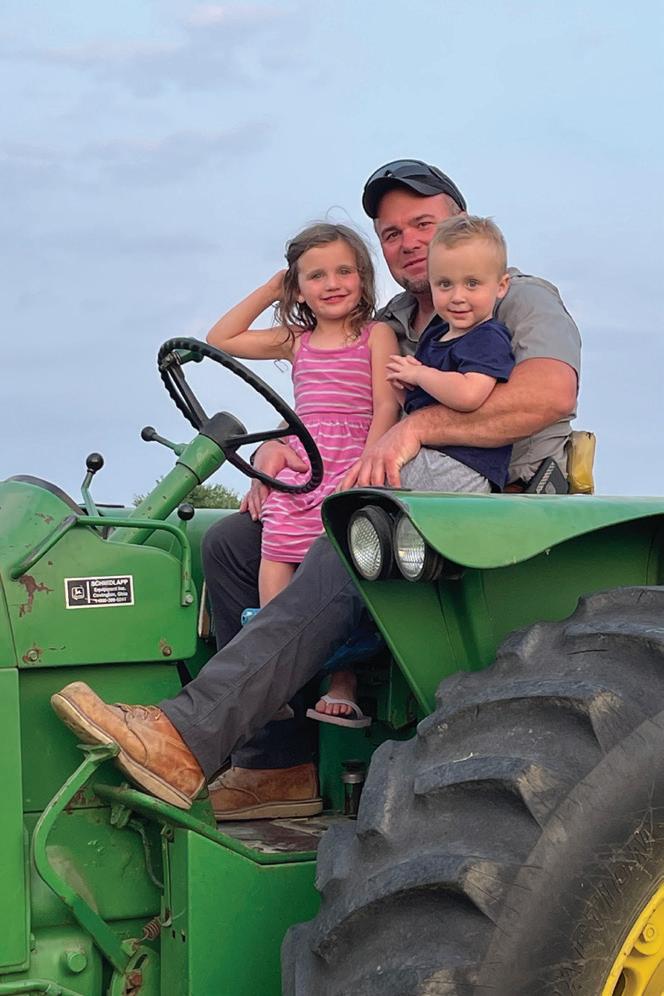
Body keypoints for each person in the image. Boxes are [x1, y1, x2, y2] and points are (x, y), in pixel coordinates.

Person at [50, 160, 581, 817]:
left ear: (459, 224)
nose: (409, 242)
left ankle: (185, 733)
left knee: (347, 538)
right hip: (401, 492)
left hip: (493, 506)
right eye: (391, 234)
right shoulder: (392, 318)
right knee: (231, 545)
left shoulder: (514, 296)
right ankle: (276, 764)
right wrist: (278, 445)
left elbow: (548, 396)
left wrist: (416, 428)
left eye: (423, 223)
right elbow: (340, 404)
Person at [205, 222, 399, 723]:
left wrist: (369, 463)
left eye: (344, 271)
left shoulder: (376, 335)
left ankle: (342, 678)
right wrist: (274, 288)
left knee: (331, 557)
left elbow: (385, 406)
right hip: (304, 458)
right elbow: (220, 338)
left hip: (353, 457)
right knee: (276, 540)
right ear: (298, 287)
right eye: (315, 276)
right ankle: (272, 671)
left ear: (363, 277)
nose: (332, 284)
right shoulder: (297, 341)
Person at [386, 214, 514, 494]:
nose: (457, 296)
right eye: (445, 284)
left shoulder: (488, 337)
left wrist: (420, 374)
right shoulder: (435, 335)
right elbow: (422, 406)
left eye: (472, 284)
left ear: (501, 286)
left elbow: (469, 394)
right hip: (428, 454)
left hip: (463, 464)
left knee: (384, 496)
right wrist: (403, 388)